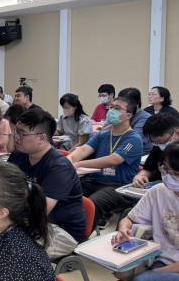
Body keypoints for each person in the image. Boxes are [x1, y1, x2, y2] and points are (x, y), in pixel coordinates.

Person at [109, 141, 179, 281]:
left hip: (168, 271)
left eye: (175, 174)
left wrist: (156, 275)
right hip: (163, 265)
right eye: (166, 170)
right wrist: (124, 229)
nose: (169, 177)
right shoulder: (159, 192)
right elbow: (129, 219)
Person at [8, 109, 86, 258]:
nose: (16, 137)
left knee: (6, 250)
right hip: (26, 220)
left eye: (22, 134)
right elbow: (3, 188)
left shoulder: (59, 167)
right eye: (16, 131)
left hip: (60, 230)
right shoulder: (19, 155)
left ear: (42, 138)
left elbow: (39, 213)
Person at [68, 96, 143, 227]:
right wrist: (68, 160)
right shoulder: (103, 134)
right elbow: (84, 150)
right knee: (66, 190)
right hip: (95, 181)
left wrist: (79, 164)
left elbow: (114, 159)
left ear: (129, 115)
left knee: (92, 203)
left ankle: (80, 236)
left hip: (118, 187)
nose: (111, 111)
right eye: (111, 107)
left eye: (117, 108)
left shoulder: (133, 138)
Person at [133, 114, 179, 187]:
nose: (160, 145)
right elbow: (148, 169)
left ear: (177, 133)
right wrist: (140, 177)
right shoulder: (158, 147)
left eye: (163, 142)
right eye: (156, 143)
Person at [118, 87, 152, 153]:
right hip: (119, 149)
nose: (122, 107)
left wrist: (121, 153)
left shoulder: (145, 118)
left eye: (126, 104)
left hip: (138, 152)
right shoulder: (118, 114)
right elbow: (104, 132)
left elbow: (134, 141)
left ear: (137, 104)